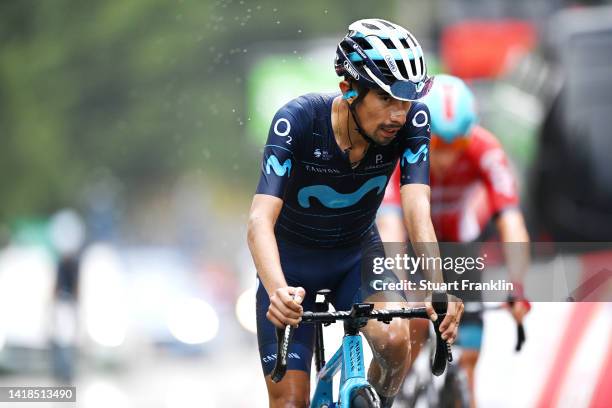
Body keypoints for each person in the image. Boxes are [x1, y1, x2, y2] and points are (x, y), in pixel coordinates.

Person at [247, 19, 464, 408]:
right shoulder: (296, 122)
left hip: (356, 258)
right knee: (289, 403)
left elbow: (417, 209)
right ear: (349, 88)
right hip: (291, 266)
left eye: (407, 99)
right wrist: (277, 289)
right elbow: (259, 221)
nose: (399, 114)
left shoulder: (413, 122)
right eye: (386, 99)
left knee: (397, 341)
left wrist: (438, 284)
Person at [377, 74, 531, 407]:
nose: (446, 159)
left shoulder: (485, 147)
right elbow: (391, 229)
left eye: (456, 146)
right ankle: (398, 388)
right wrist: (399, 289)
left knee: (468, 361)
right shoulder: (400, 150)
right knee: (412, 325)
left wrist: (518, 285)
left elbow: (512, 222)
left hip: (460, 250)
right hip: (411, 246)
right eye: (437, 146)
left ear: (469, 135)